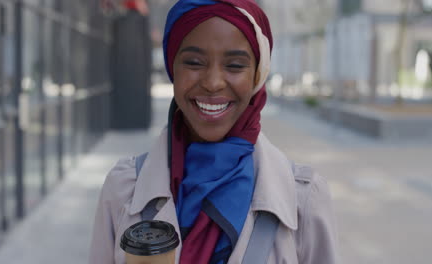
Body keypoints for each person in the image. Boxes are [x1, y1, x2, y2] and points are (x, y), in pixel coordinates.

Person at [89, 0, 339, 263]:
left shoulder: (304, 201)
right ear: (172, 68)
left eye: (234, 66)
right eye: (194, 62)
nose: (212, 83)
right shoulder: (123, 189)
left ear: (257, 76)